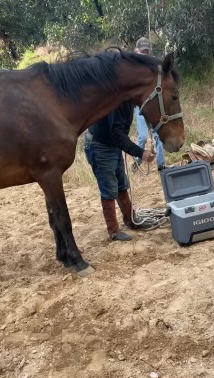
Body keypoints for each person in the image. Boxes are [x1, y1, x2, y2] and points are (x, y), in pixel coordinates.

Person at [87, 102, 155, 241]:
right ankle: (113, 231)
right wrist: (140, 153)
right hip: (100, 144)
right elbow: (117, 134)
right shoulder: (118, 101)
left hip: (111, 143)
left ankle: (131, 220)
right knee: (109, 188)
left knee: (121, 184)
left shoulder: (128, 99)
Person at [134, 37, 168, 172]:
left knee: (158, 135)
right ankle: (137, 162)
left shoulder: (153, 65)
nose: (145, 53)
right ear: (137, 51)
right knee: (142, 137)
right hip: (140, 107)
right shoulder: (133, 65)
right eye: (143, 51)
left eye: (147, 51)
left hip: (153, 107)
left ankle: (161, 165)